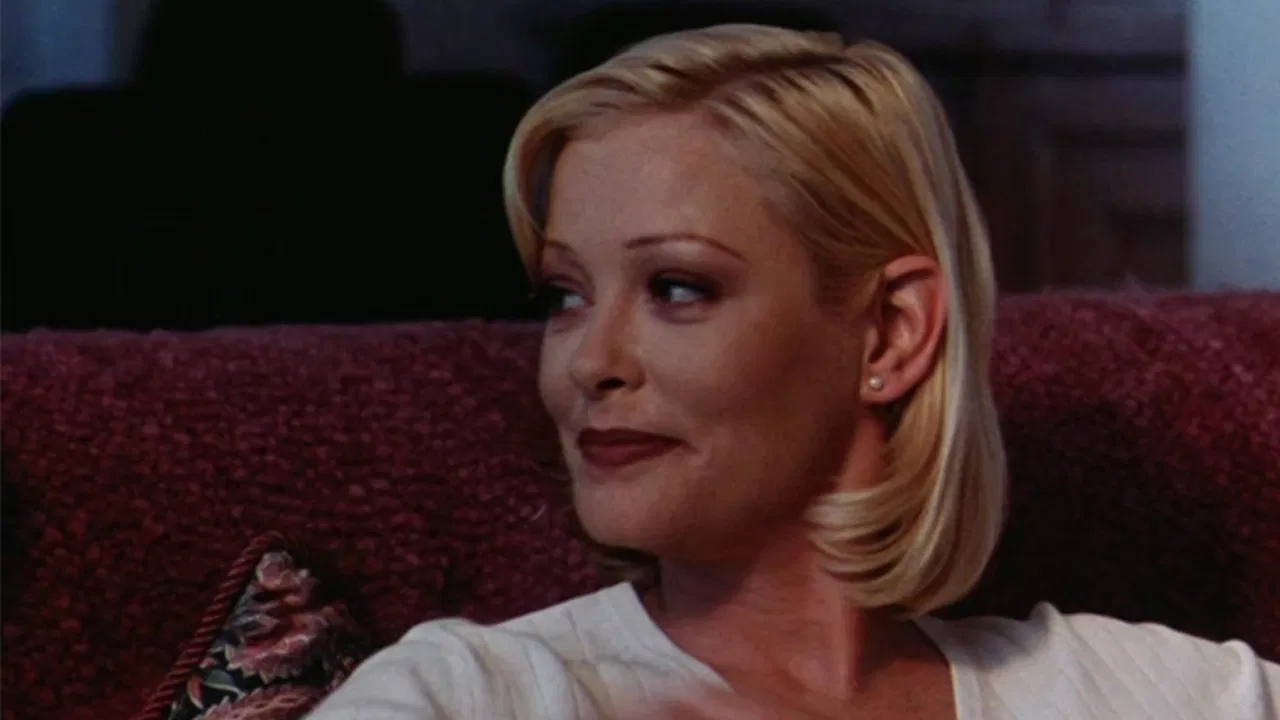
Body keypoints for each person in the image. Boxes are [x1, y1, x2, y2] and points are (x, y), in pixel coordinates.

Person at [306, 24, 1280, 720]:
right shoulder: (460, 695)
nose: (588, 363)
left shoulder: (1161, 695)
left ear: (891, 335)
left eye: (676, 287)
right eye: (564, 296)